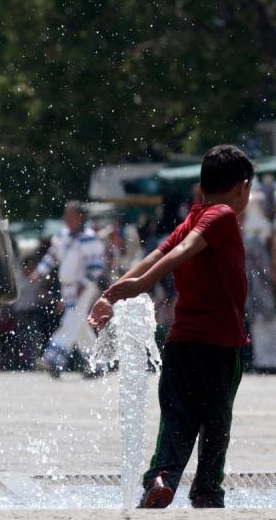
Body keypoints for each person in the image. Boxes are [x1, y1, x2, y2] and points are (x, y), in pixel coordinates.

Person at [90, 145, 254, 509]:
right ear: (243, 187)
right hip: (221, 345)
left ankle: (161, 478)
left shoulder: (193, 216)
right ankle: (208, 490)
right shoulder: (222, 214)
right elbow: (182, 252)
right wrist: (137, 286)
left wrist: (113, 293)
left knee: (177, 419)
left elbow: (157, 254)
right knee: (215, 422)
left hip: (181, 344)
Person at [31, 201, 105, 378]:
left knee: (71, 320)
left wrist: (83, 285)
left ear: (79, 217)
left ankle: (53, 359)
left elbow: (96, 267)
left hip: (83, 287)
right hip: (67, 287)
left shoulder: (89, 238)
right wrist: (39, 272)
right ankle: (96, 363)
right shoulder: (63, 235)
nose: (66, 218)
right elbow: (52, 256)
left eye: (69, 215)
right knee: (79, 324)